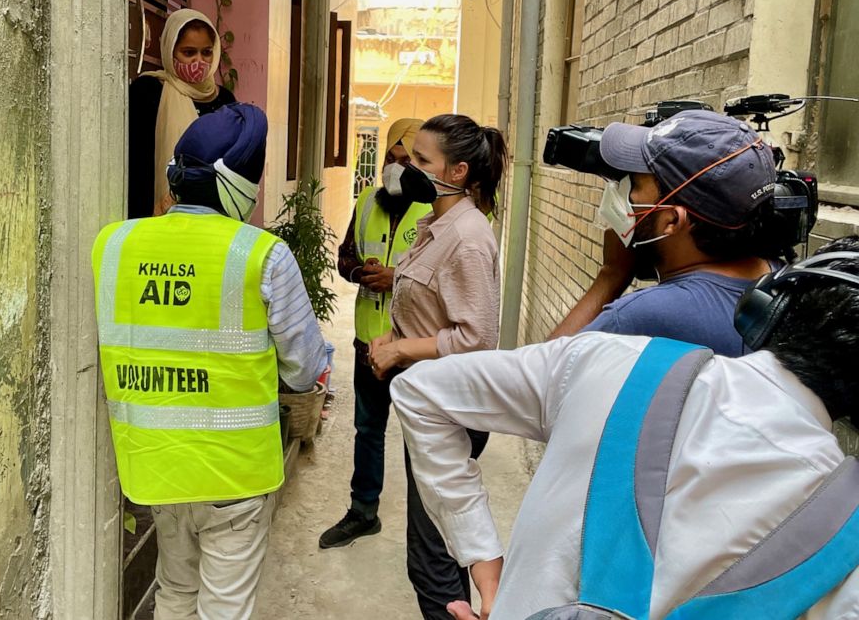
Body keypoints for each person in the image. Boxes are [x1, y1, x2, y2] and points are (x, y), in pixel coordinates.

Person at [391, 236, 859, 620]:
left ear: (766, 309)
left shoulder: (608, 360)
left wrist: (481, 555)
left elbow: (420, 392)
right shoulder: (845, 532)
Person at [92, 103, 326, 620]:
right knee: (224, 607)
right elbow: (305, 369)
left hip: (154, 466)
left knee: (174, 592)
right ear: (242, 183)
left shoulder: (113, 243)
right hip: (233, 474)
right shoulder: (261, 254)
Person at [368, 114, 508, 619]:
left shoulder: (467, 237)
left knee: (431, 555)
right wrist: (396, 335)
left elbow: (476, 337)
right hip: (429, 401)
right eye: (410, 156)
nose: (407, 167)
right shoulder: (435, 225)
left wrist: (403, 350)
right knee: (435, 543)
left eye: (422, 161)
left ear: (460, 169)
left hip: (452, 408)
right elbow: (430, 306)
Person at [550, 111, 781, 356]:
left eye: (635, 184)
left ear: (671, 220)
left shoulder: (639, 318)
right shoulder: (780, 279)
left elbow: (541, 378)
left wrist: (611, 274)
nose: (621, 192)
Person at [319, 118, 433, 549]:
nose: (395, 168)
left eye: (407, 161)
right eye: (391, 158)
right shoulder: (367, 200)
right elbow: (345, 256)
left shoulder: (434, 209)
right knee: (368, 430)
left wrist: (397, 278)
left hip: (416, 348)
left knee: (420, 438)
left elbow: (444, 279)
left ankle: (426, 529)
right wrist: (361, 273)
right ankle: (363, 511)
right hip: (369, 341)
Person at [129, 9, 237, 219]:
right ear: (171, 50)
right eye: (188, 52)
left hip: (212, 219)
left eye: (206, 52)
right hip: (154, 216)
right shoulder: (149, 91)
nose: (199, 61)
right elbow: (135, 164)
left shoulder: (224, 101)